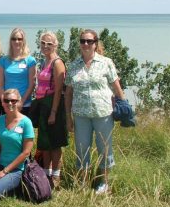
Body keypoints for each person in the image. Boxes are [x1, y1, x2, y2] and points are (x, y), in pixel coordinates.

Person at [65, 29, 126, 195]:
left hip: (103, 114)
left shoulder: (106, 63)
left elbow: (116, 87)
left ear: (95, 43)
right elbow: (68, 93)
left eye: (89, 41)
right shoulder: (73, 65)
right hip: (81, 115)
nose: (86, 44)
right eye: (83, 41)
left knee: (104, 149)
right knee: (82, 149)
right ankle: (83, 182)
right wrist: (68, 117)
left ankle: (104, 183)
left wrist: (125, 109)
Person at [31, 32, 68, 188]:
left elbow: (59, 90)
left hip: (54, 106)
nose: (45, 46)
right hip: (43, 105)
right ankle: (45, 173)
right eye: (43, 43)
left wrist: (53, 112)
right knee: (44, 142)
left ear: (56, 45)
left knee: (55, 142)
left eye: (49, 44)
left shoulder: (57, 63)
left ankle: (56, 176)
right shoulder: (44, 61)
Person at [0, 28, 36, 117]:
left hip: (24, 104)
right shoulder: (3, 60)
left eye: (19, 39)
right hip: (8, 103)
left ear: (24, 41)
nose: (16, 41)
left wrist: (21, 102)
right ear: (10, 41)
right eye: (14, 39)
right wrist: (4, 101)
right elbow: (0, 85)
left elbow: (32, 84)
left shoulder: (30, 61)